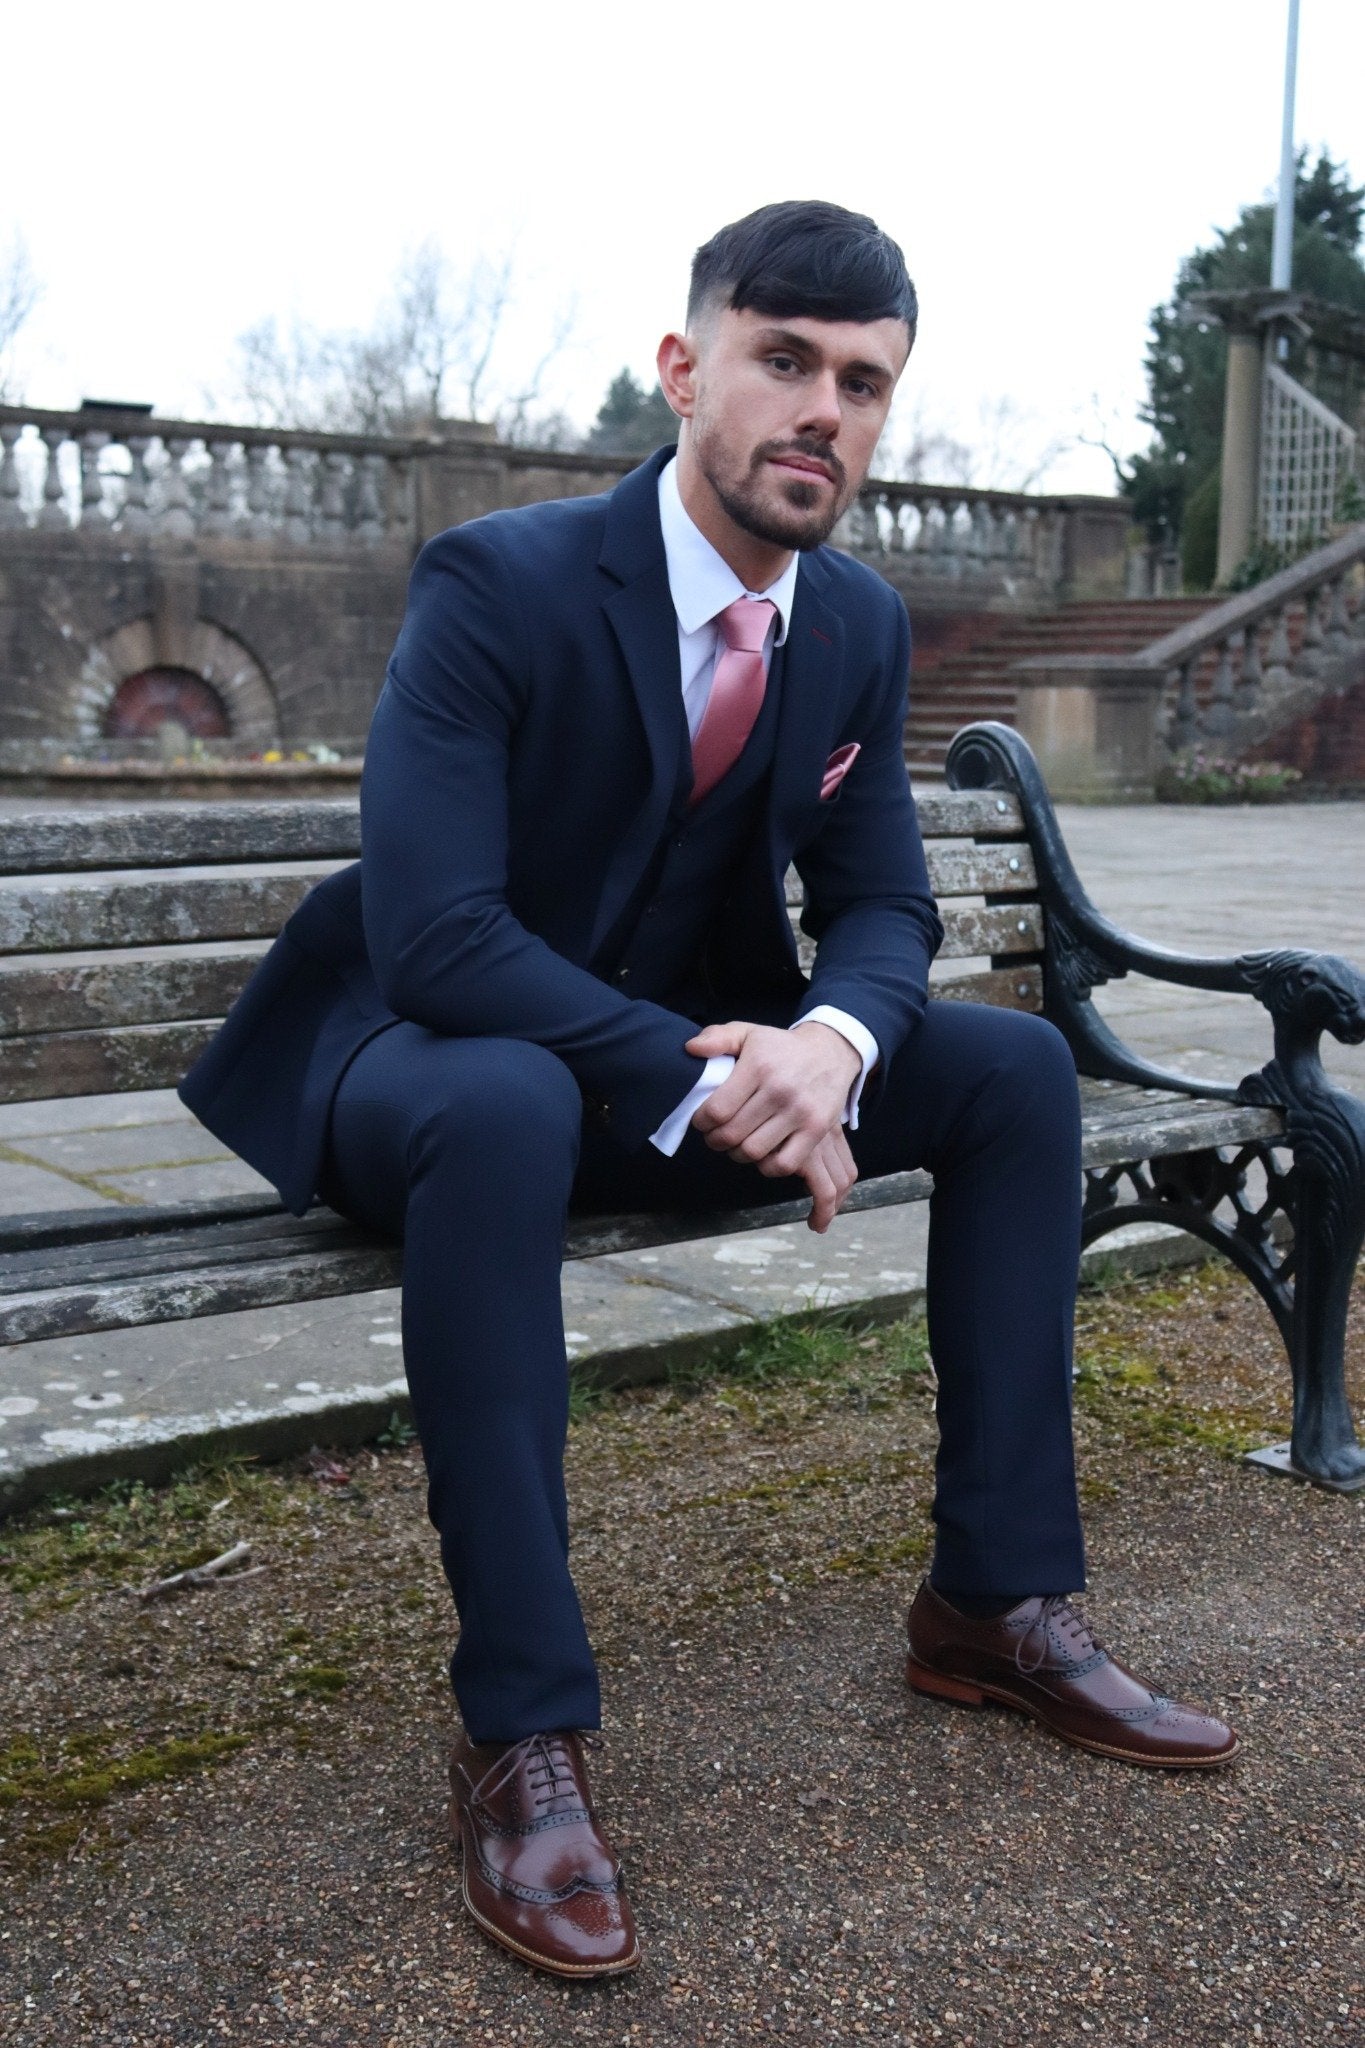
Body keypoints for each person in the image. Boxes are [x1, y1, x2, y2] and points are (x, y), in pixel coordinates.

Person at [178, 200, 1238, 1983]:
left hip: (673, 1069)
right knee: (508, 1097)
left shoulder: (852, 629)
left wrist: (825, 1047)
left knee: (1004, 1067)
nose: (823, 410)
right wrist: (707, 1073)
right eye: (784, 362)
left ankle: (991, 1602)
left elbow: (887, 902)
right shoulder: (499, 585)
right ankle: (522, 1732)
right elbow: (437, 938)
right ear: (686, 372)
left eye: (863, 384)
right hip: (424, 1080)